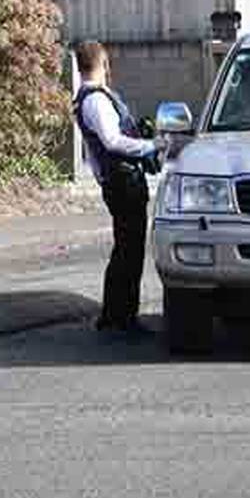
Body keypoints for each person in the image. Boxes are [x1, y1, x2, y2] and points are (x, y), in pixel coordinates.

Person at [73, 41, 162, 337]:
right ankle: (124, 317)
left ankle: (113, 313)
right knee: (131, 249)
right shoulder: (95, 100)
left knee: (124, 247)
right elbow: (112, 141)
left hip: (116, 180)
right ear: (102, 63)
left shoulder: (90, 97)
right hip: (123, 181)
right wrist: (151, 146)